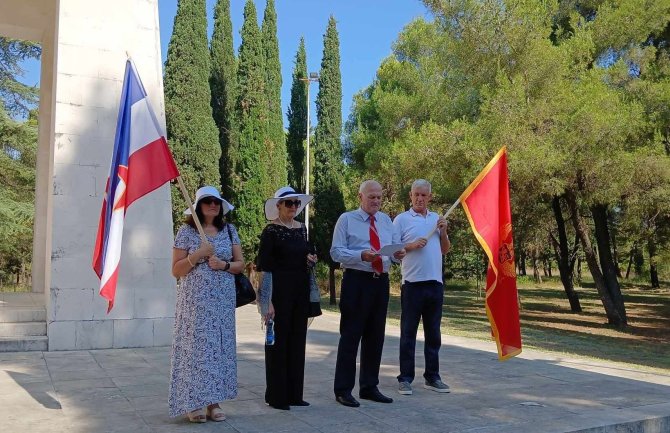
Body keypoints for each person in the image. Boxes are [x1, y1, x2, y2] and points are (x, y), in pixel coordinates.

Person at [169, 186, 245, 423]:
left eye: (217, 201)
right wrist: (198, 254)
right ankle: (193, 402)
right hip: (195, 301)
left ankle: (214, 401)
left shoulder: (230, 230)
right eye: (207, 201)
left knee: (218, 349)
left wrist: (223, 264)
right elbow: (175, 270)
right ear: (198, 206)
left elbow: (240, 264)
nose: (213, 205)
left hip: (222, 301)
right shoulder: (186, 231)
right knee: (196, 349)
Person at [330, 180, 406, 407]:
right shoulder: (347, 219)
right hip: (357, 281)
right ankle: (343, 389)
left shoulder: (385, 221)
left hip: (379, 282)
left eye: (379, 197)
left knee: (375, 336)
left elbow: (392, 248)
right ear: (360, 197)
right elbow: (335, 252)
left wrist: (397, 254)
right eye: (371, 197)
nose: (376, 201)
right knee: (351, 336)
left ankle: (369, 386)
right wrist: (360, 256)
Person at [257, 186, 317, 410]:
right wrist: (266, 300)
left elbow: (308, 254)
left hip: (300, 292)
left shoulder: (302, 229)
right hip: (279, 293)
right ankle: (277, 396)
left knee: (297, 341)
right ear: (278, 206)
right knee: (277, 344)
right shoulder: (271, 231)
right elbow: (264, 267)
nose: (293, 207)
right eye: (288, 203)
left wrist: (311, 258)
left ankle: (294, 394)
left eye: (296, 203)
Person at [394, 179, 451, 396]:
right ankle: (405, 378)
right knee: (408, 333)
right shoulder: (401, 220)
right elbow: (392, 249)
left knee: (433, 334)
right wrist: (410, 245)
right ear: (410, 195)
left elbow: (445, 249)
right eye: (416, 194)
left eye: (424, 195)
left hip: (435, 284)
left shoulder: (437, 219)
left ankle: (432, 376)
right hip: (412, 284)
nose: (420, 198)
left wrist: (444, 232)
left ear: (430, 197)